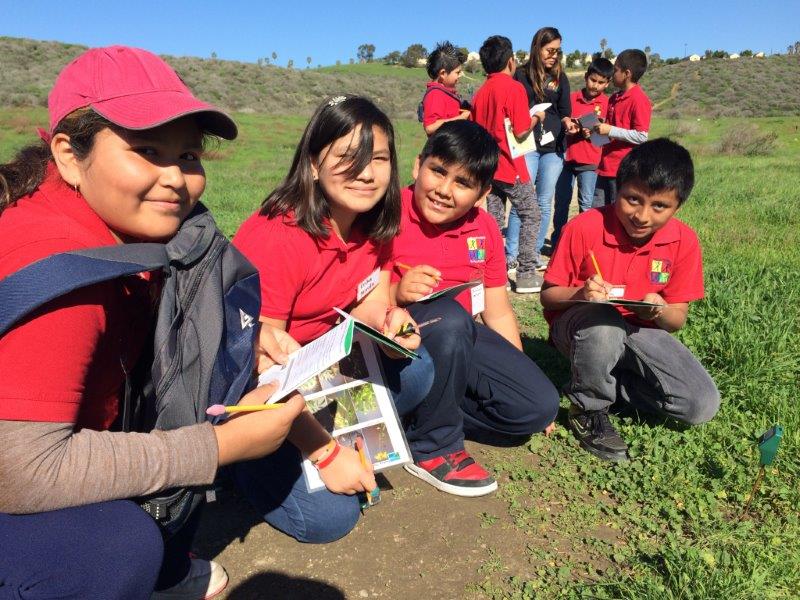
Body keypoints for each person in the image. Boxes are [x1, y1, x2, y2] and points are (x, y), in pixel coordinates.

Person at [0, 45, 310, 600]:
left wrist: (246, 334)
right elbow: (21, 468)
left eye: (189, 155)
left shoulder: (119, 231)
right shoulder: (54, 262)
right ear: (69, 155)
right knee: (112, 550)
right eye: (146, 150)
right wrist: (221, 448)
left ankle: (165, 569)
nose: (176, 178)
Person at [231, 95, 435, 519]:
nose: (365, 173)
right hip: (259, 387)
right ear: (312, 164)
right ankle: (241, 461)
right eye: (347, 156)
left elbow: (371, 299)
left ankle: (316, 444)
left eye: (378, 158)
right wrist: (324, 453)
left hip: (319, 370)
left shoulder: (374, 224)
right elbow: (263, 366)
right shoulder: (280, 236)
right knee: (329, 520)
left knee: (418, 368)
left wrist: (390, 322)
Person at [390, 121, 559, 495]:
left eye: (462, 183)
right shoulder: (387, 213)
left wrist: (519, 370)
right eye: (437, 172)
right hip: (395, 342)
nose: (443, 191)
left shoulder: (484, 228)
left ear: (482, 193)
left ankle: (418, 415)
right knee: (449, 316)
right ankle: (433, 447)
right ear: (418, 166)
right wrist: (397, 293)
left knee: (539, 406)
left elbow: (496, 311)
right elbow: (356, 297)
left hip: (458, 340)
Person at [540, 139, 720, 462]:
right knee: (605, 326)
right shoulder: (584, 227)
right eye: (632, 200)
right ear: (617, 189)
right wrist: (581, 294)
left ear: (677, 206)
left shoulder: (684, 241)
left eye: (659, 207)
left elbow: (677, 319)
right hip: (582, 325)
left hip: (640, 329)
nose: (641, 216)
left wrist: (659, 310)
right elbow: (549, 297)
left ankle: (610, 382)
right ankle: (588, 409)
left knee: (701, 403)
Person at [471, 35, 545, 294]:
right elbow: (523, 130)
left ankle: (493, 274)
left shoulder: (480, 94)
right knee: (531, 214)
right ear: (511, 61)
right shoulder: (514, 89)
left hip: (488, 169)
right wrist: (537, 116)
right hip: (511, 167)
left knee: (491, 222)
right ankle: (525, 273)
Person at [506, 27, 579, 271]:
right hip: (527, 145)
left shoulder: (561, 78)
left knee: (544, 201)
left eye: (557, 51)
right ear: (537, 48)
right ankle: (512, 253)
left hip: (553, 149)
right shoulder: (520, 75)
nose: (554, 56)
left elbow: (565, 111)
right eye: (550, 50)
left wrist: (568, 123)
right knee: (522, 200)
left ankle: (533, 251)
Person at [550, 57, 613, 249]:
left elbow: (608, 137)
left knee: (586, 206)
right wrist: (569, 128)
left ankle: (583, 246)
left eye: (601, 82)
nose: (596, 86)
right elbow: (560, 120)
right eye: (593, 80)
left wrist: (591, 134)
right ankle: (557, 243)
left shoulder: (608, 104)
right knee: (561, 204)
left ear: (608, 83)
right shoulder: (571, 98)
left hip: (591, 162)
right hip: (566, 161)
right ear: (586, 77)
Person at [591, 49, 652, 207]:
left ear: (627, 73)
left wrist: (610, 130)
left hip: (622, 170)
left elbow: (642, 136)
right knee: (597, 212)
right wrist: (596, 130)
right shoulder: (614, 98)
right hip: (604, 166)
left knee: (617, 213)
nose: (612, 73)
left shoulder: (639, 100)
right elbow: (610, 129)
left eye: (616, 69)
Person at [420, 41, 471, 135]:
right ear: (443, 73)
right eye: (457, 72)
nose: (460, 75)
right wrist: (461, 118)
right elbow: (430, 127)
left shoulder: (447, 93)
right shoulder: (435, 94)